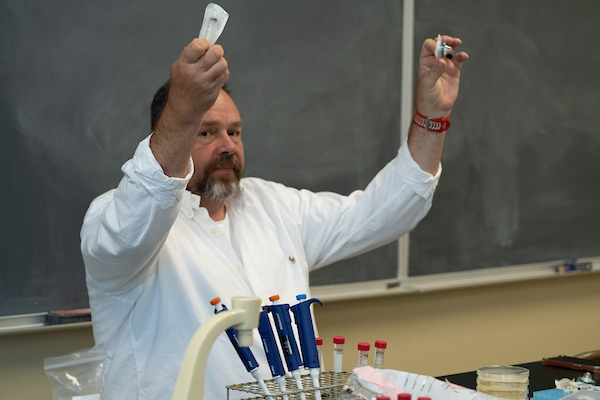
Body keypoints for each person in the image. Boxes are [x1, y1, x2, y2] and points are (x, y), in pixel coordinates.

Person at [80, 34, 468, 399]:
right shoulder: (116, 222)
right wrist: (182, 108)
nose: (227, 145)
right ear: (173, 134)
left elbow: (383, 213)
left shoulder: (272, 206)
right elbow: (143, 207)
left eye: (235, 132)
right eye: (206, 133)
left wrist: (431, 117)